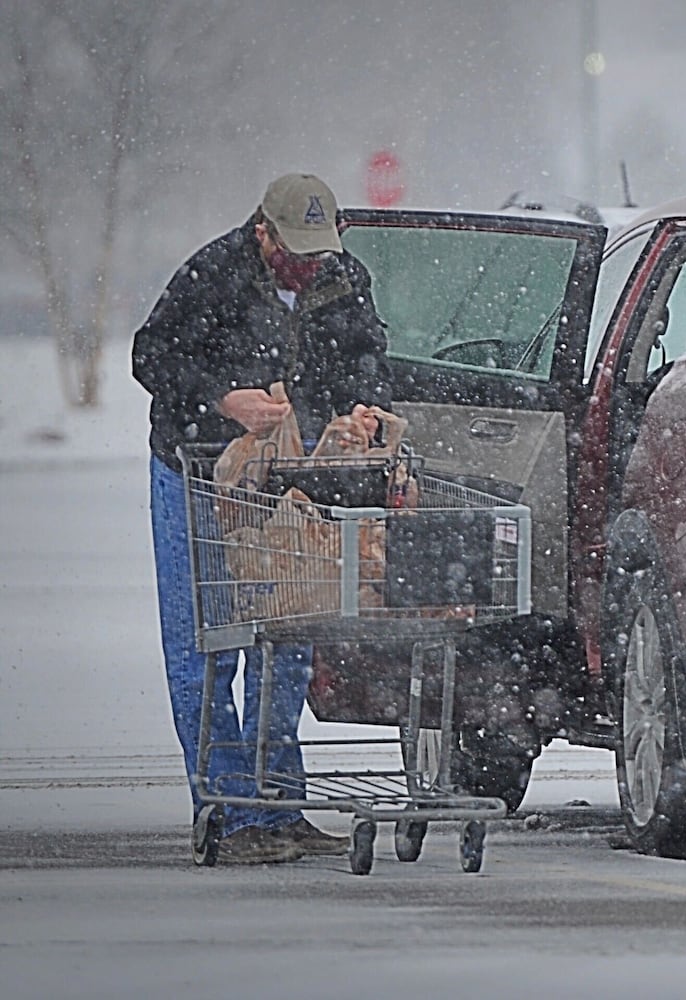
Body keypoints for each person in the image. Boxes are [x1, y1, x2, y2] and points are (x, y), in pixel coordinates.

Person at [132, 173, 391, 863]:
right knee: (210, 640)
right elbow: (151, 355)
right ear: (262, 233)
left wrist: (362, 404)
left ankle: (280, 800)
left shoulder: (343, 278)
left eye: (319, 252)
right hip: (198, 473)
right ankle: (229, 813)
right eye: (296, 252)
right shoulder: (212, 274)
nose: (308, 267)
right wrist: (224, 400)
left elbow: (367, 352)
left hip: (289, 477)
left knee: (288, 633)